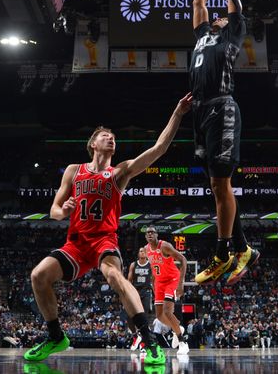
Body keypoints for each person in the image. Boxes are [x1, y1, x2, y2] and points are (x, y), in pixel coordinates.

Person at [24, 94, 193, 366]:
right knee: (38, 275)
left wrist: (177, 113)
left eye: (113, 137)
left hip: (104, 240)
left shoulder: (120, 172)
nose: (111, 138)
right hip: (76, 243)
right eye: (105, 135)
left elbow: (159, 148)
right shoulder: (73, 171)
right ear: (92, 144)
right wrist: (63, 211)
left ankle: (149, 342)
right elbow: (54, 210)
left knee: (114, 276)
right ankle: (55, 336)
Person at [190, 0, 258, 285]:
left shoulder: (233, 32)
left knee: (221, 183)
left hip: (222, 107)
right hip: (199, 113)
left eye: (222, 16)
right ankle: (243, 247)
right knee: (219, 188)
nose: (215, 16)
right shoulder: (202, 32)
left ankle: (223, 252)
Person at [144, 227, 189, 354]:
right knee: (159, 316)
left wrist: (181, 283)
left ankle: (182, 341)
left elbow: (183, 260)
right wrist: (153, 285)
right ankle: (177, 328)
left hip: (172, 280)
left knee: (167, 312)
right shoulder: (146, 249)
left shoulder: (164, 246)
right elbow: (154, 268)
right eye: (147, 233)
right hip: (159, 282)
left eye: (152, 232)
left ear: (157, 234)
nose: (150, 234)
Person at [126, 246, 153, 351]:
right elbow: (129, 280)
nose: (142, 252)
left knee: (143, 317)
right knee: (129, 316)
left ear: (147, 254)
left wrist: (156, 295)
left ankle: (144, 342)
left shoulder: (150, 265)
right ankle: (135, 336)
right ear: (138, 254)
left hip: (146, 292)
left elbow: (154, 280)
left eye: (144, 251)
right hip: (135, 292)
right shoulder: (133, 265)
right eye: (140, 251)